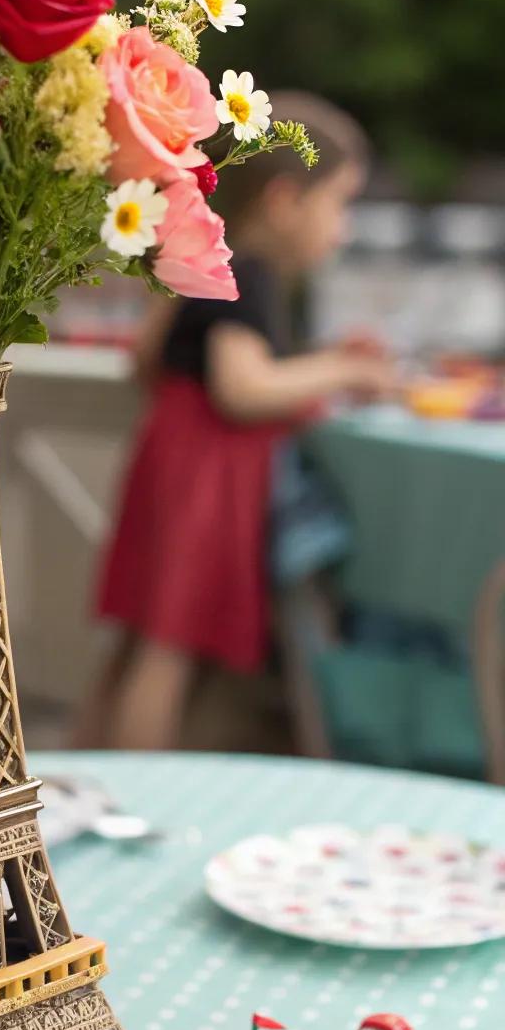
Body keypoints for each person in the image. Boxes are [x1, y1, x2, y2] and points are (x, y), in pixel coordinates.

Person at [74, 93, 395, 751]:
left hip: (171, 459)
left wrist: (314, 362)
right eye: (339, 203)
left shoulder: (205, 262)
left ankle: (77, 785)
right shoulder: (247, 273)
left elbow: (151, 361)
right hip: (208, 481)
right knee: (169, 651)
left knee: (136, 643)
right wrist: (345, 373)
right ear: (284, 201)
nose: (342, 228)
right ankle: (134, 805)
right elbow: (242, 387)